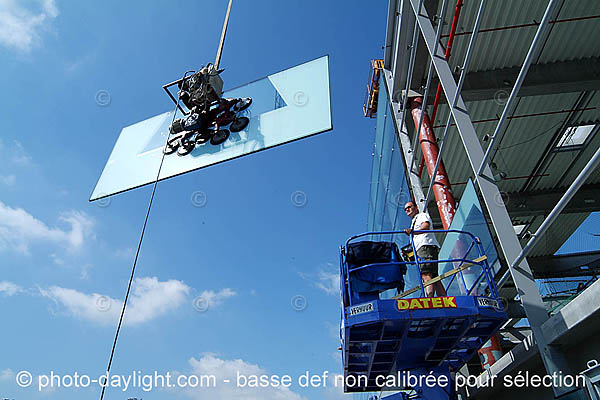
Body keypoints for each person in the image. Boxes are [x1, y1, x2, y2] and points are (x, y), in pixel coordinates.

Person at [404, 201, 446, 297]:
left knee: (426, 274)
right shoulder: (414, 221)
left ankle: (429, 299)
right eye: (405, 209)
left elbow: (426, 226)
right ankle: (443, 298)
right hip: (422, 248)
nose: (407, 210)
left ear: (416, 207)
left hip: (425, 246)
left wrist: (413, 232)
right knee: (434, 276)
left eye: (409, 207)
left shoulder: (422, 216)